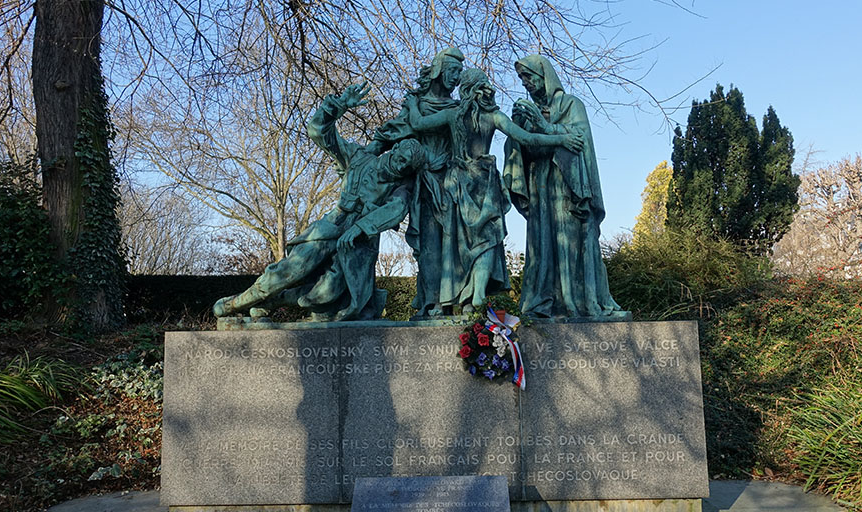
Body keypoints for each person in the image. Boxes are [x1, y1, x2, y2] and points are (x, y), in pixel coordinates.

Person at [213, 83, 427, 321]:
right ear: (395, 150)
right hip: (333, 225)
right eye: (402, 158)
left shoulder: (401, 187)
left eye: (408, 165)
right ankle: (236, 303)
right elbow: (319, 132)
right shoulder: (358, 158)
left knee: (327, 293)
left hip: (359, 243)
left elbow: (396, 210)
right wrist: (338, 107)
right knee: (291, 269)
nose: (402, 165)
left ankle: (273, 302)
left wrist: (359, 228)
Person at [406, 68, 584, 312]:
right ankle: (477, 293)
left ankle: (464, 297)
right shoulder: (494, 116)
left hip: (458, 181)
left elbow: (418, 123)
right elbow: (527, 139)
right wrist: (560, 140)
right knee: (487, 238)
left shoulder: (453, 114)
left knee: (460, 243)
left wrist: (413, 102)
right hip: (485, 180)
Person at [503, 54, 622, 318]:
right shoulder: (526, 110)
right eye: (522, 78)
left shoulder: (571, 105)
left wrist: (545, 128)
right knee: (542, 246)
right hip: (540, 187)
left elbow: (580, 142)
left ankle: (577, 302)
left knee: (571, 242)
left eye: (529, 76)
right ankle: (542, 303)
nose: (526, 83)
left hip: (567, 188)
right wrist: (522, 134)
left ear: (544, 76)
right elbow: (519, 147)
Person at [368, 48, 465, 318]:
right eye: (453, 72)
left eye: (459, 74)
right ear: (439, 71)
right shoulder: (419, 105)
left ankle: (449, 301)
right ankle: (431, 301)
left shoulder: (454, 110)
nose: (457, 79)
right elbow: (390, 134)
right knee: (430, 245)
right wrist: (363, 160)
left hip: (451, 183)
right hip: (425, 185)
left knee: (452, 245)